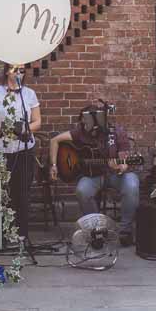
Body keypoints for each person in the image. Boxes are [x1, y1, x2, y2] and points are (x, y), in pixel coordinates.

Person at [48, 103, 139, 246]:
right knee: (82, 190)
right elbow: (55, 140)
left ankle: (125, 231)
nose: (83, 125)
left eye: (86, 122)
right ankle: (97, 230)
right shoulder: (81, 132)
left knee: (132, 184)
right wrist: (54, 165)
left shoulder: (116, 132)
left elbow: (124, 159)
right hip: (92, 176)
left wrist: (122, 165)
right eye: (82, 122)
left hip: (115, 175)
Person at [0, 63, 41, 241]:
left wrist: (25, 129)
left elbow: (37, 121)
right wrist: (3, 129)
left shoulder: (29, 94)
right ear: (7, 71)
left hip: (23, 149)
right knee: (2, 191)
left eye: (22, 70)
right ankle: (1, 235)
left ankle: (21, 234)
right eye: (16, 69)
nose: (19, 73)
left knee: (22, 191)